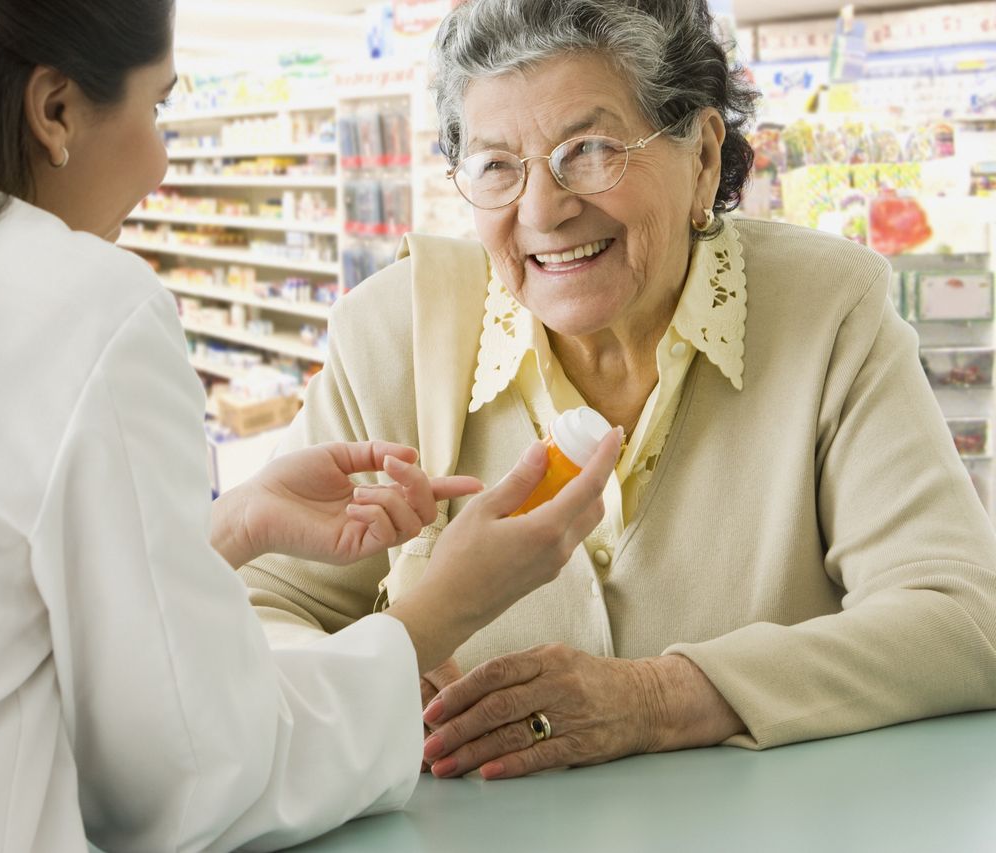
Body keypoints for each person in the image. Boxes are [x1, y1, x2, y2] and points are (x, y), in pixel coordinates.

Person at [0, 2, 621, 851]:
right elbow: (188, 781)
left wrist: (214, 532)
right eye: (157, 107)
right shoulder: (82, 310)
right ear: (55, 109)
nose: (158, 166)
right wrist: (437, 612)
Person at [241, 0, 996, 782]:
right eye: (498, 165)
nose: (543, 210)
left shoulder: (827, 310)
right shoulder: (393, 336)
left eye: (591, 149)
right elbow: (248, 614)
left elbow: (964, 616)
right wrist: (383, 658)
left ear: (704, 155)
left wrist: (662, 697)